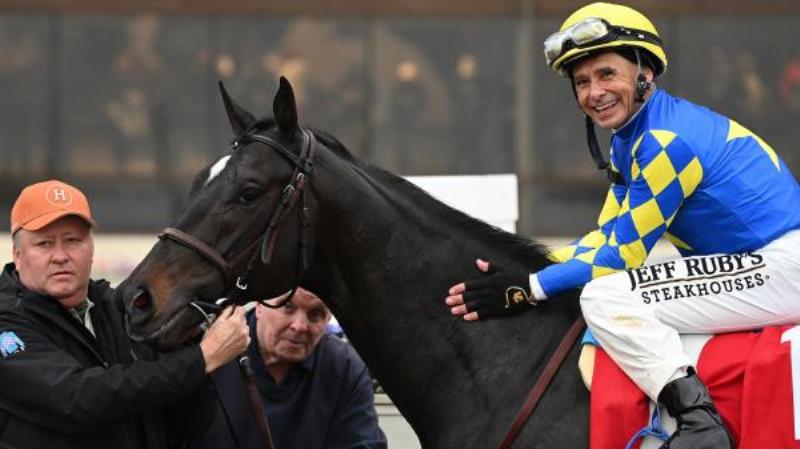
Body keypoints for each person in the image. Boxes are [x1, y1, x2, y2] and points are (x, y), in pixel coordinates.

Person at [444, 3, 800, 449]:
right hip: (760, 266)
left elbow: (620, 258)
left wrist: (528, 288)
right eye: (582, 82)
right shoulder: (631, 138)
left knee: (605, 296)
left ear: (645, 73)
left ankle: (700, 423)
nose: (595, 92)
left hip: (782, 268)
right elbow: (606, 237)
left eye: (607, 74)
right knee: (605, 290)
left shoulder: (664, 143)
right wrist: (527, 268)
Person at [0, 179, 251, 449]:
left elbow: (187, 425)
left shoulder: (122, 308)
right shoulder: (7, 321)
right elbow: (74, 398)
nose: (60, 256)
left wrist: (187, 342)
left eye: (73, 240)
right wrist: (201, 358)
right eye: (44, 244)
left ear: (91, 248)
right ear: (18, 255)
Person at [190, 287, 387, 449]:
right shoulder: (212, 353)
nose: (300, 326)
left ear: (328, 319)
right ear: (260, 306)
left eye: (315, 314)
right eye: (287, 306)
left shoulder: (344, 369)